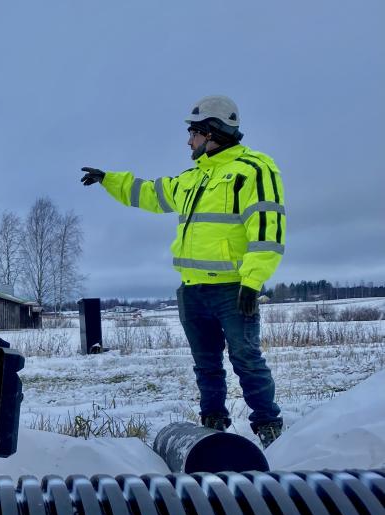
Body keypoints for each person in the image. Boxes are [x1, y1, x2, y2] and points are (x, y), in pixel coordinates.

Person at [80, 95, 286, 447]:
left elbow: (268, 229)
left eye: (193, 132)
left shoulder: (253, 169)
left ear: (212, 132)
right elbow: (149, 193)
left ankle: (269, 428)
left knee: (246, 359)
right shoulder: (193, 179)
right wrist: (108, 179)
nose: (188, 141)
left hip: (232, 289)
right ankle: (213, 427)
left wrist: (252, 282)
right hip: (192, 290)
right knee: (205, 365)